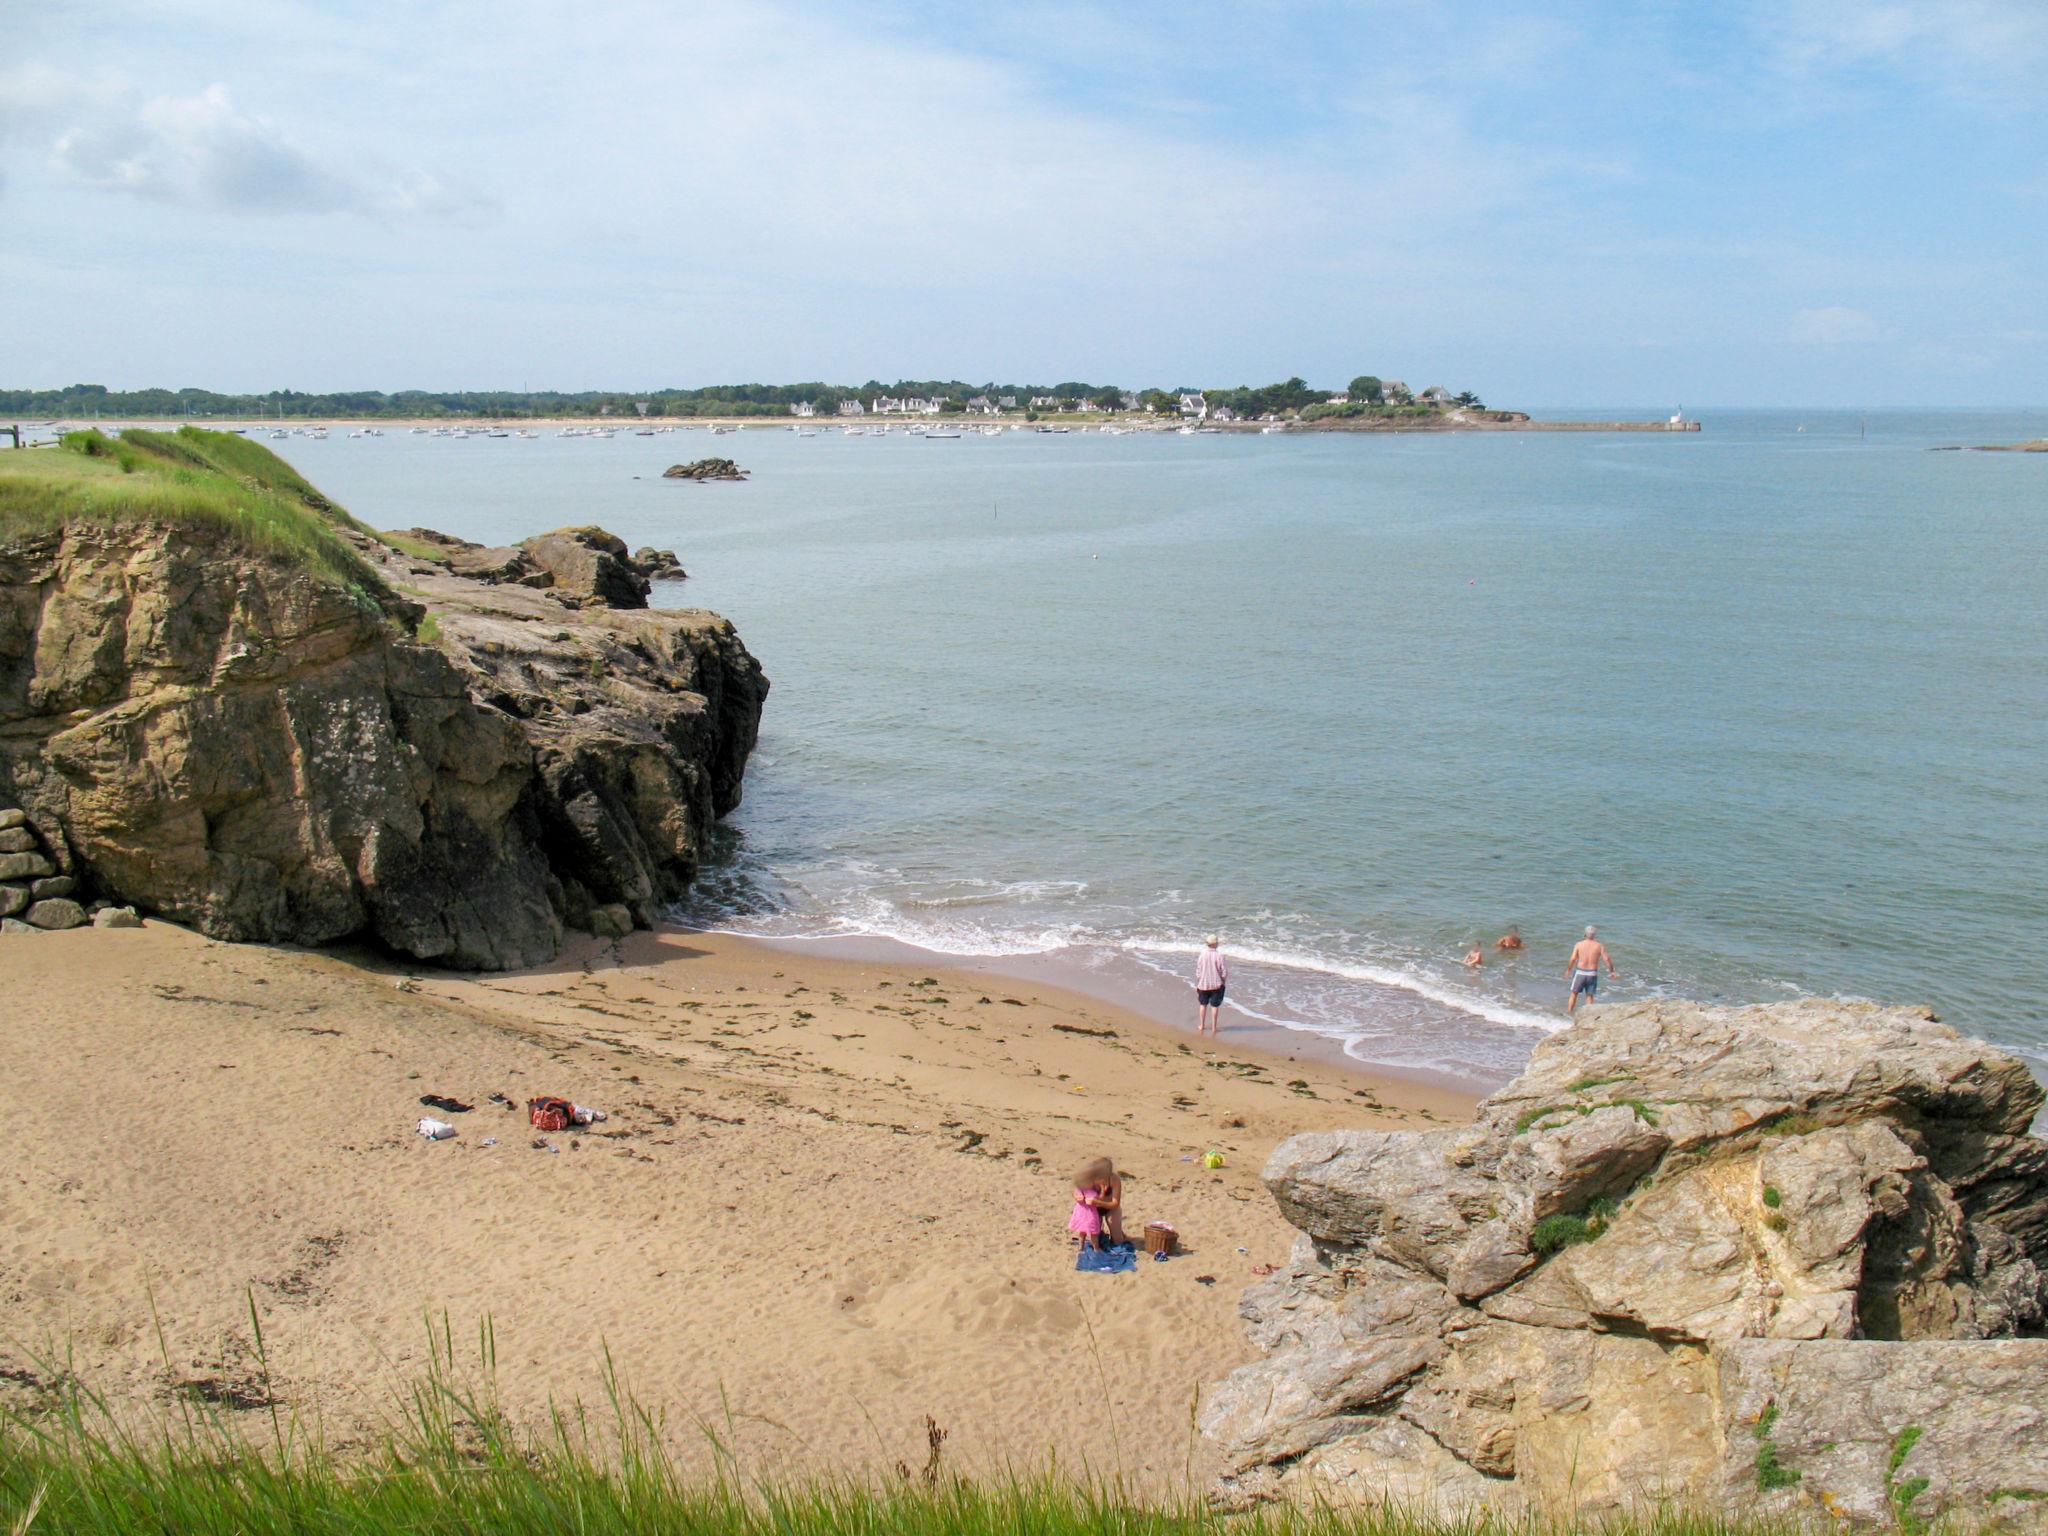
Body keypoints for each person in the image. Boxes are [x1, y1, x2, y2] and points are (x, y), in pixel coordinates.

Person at [1565, 926, 1616, 1015]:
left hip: (1580, 973)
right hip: (1592, 974)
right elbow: (1607, 959)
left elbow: (1573, 958)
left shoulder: (1579, 944)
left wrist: (1568, 970)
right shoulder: (1599, 946)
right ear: (1594, 935)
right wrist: (1612, 971)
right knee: (1589, 996)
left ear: (1585, 934)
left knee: (1574, 994)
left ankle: (1569, 1013)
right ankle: (1588, 1016)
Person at [1068, 1157, 1114, 1250]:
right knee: (1089, 1233)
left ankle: (1088, 1247)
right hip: (1087, 1213)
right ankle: (1093, 1248)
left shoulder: (1089, 1189)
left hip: (1085, 1213)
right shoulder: (1086, 1190)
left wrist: (1102, 1191)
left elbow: (1097, 1200)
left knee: (1087, 1232)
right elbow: (1082, 1195)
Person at [1194, 935, 1228, 1036]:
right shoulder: (1219, 955)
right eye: (1217, 942)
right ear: (1214, 944)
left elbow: (1198, 970)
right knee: (1215, 1006)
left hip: (1203, 984)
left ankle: (1202, 1025)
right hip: (1216, 984)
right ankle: (1214, 1028)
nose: (1218, 943)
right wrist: (1223, 981)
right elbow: (1224, 972)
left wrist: (1199, 980)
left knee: (1203, 1004)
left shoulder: (1202, 954)